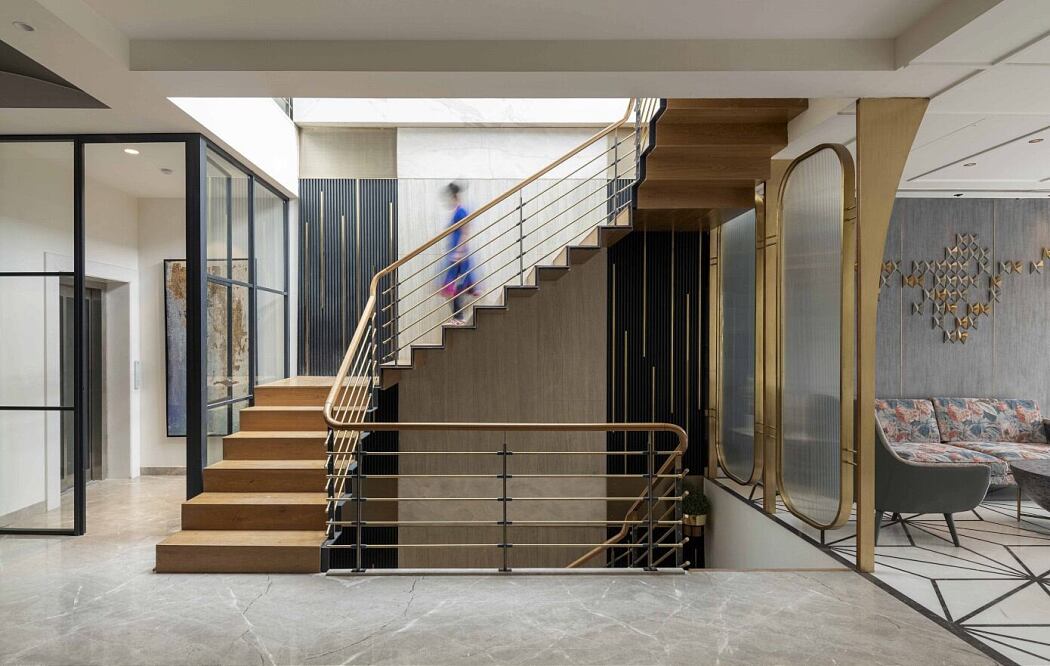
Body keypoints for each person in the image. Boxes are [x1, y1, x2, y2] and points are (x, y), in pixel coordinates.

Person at [439, 182, 478, 324]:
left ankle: (459, 317)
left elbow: (465, 232)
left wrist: (459, 252)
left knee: (452, 285)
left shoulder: (461, 211)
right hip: (455, 252)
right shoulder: (457, 211)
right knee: (451, 286)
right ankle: (458, 316)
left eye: (449, 198)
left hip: (459, 253)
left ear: (454, 197)